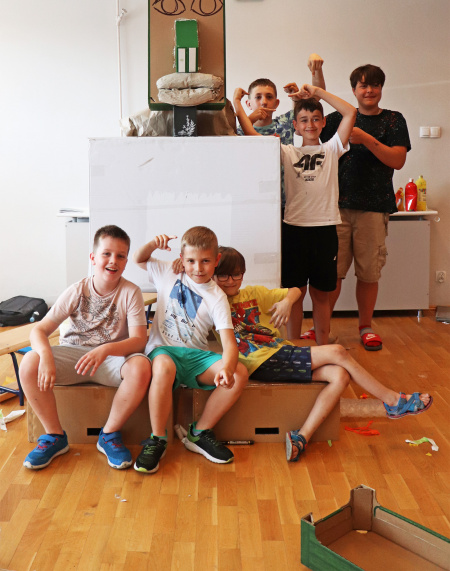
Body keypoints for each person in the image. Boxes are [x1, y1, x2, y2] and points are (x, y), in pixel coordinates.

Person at [213, 246, 433, 462]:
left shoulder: (253, 293)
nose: (230, 281)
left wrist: (287, 302)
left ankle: (301, 437)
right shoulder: (213, 302)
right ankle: (393, 400)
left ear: (243, 274)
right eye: (223, 275)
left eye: (236, 274)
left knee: (340, 375)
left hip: (279, 353)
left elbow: (295, 290)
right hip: (260, 361)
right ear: (212, 276)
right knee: (338, 351)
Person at [20, 225, 151, 470]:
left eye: (120, 256)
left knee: (142, 367)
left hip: (110, 359)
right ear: (93, 258)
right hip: (74, 357)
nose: (113, 261)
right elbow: (38, 330)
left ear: (126, 262)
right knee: (29, 362)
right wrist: (46, 357)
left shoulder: (131, 292)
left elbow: (139, 340)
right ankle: (54, 436)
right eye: (106, 254)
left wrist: (105, 349)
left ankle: (109, 434)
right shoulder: (77, 290)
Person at [234, 83, 356, 345]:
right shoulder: (287, 151)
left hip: (325, 231)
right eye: (304, 120)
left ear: (323, 122)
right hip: (294, 231)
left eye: (315, 119)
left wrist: (317, 93)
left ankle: (323, 347)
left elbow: (350, 112)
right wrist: (236, 104)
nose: (310, 124)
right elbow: (249, 132)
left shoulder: (332, 148)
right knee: (294, 294)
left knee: (321, 294)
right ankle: (294, 347)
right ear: (296, 126)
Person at [132, 226, 248, 474]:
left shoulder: (217, 297)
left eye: (205, 261)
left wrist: (227, 369)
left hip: (195, 358)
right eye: (191, 261)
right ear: (182, 259)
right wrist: (153, 244)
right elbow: (138, 259)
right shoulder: (168, 271)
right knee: (164, 366)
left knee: (239, 373)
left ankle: (199, 433)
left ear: (216, 260)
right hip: (163, 351)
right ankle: (157, 439)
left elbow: (229, 344)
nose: (198, 268)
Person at [320, 64, 411, 351]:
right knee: (332, 274)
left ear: (381, 88)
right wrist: (316, 74)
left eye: (375, 85)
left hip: (374, 208)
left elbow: (397, 160)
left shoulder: (394, 120)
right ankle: (323, 329)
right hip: (335, 208)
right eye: (363, 85)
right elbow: (315, 116)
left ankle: (365, 327)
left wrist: (366, 139)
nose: (369, 90)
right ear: (354, 90)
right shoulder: (339, 119)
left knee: (369, 274)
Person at [235, 53, 326, 142]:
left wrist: (316, 68)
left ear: (276, 103)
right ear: (248, 104)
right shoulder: (239, 131)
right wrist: (250, 119)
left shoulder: (285, 123)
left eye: (269, 97)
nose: (264, 102)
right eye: (258, 97)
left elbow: (317, 95)